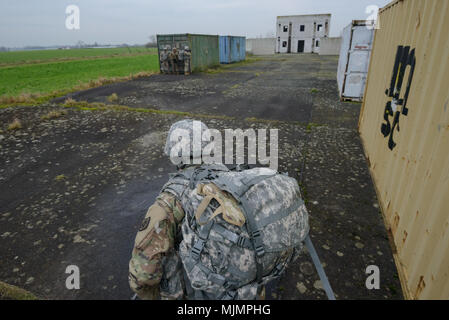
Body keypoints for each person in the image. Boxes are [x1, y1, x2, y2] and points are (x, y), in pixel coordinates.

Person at [128, 120, 309, 300]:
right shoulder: (230, 180)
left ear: (174, 154)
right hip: (246, 293)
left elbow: (143, 275)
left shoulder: (168, 202)